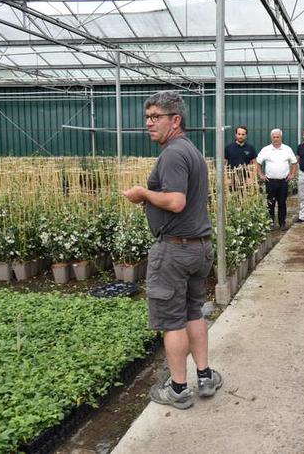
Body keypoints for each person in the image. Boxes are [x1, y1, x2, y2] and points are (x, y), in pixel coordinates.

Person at [123, 91, 221, 410]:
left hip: (176, 250)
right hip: (199, 248)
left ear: (175, 120)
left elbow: (176, 201)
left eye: (156, 117)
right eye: (147, 118)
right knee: (194, 312)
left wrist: (143, 194)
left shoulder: (173, 154)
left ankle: (178, 388)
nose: (149, 124)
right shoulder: (191, 151)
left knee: (173, 321)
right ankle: (204, 376)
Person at [255, 129, 298, 230]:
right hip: (270, 181)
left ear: (281, 137)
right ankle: (271, 223)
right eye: (274, 137)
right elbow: (257, 162)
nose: (275, 139)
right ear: (271, 137)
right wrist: (261, 174)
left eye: (277, 137)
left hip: (284, 181)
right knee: (270, 203)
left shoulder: (287, 149)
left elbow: (294, 162)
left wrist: (292, 174)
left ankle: (282, 223)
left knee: (282, 203)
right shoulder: (266, 149)